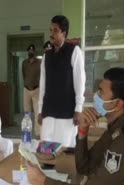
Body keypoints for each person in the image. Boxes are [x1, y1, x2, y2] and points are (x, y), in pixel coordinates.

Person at [28, 68, 124, 185]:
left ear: (117, 104)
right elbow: (85, 168)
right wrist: (82, 131)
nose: (96, 96)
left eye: (101, 92)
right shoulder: (118, 126)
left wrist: (42, 181)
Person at [38, 15, 86, 147]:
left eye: (55, 30)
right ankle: (45, 168)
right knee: (46, 149)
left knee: (64, 150)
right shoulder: (46, 56)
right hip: (48, 111)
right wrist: (40, 110)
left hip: (67, 112)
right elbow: (43, 85)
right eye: (50, 30)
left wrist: (78, 108)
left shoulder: (74, 51)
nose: (51, 34)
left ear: (63, 33)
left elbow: (80, 81)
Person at [22, 44, 41, 137]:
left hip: (36, 90)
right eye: (29, 51)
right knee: (26, 113)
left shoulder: (39, 62)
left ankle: (38, 133)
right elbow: (24, 75)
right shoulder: (24, 62)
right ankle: (27, 132)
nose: (30, 52)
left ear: (34, 52)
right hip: (26, 90)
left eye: (32, 51)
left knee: (37, 112)